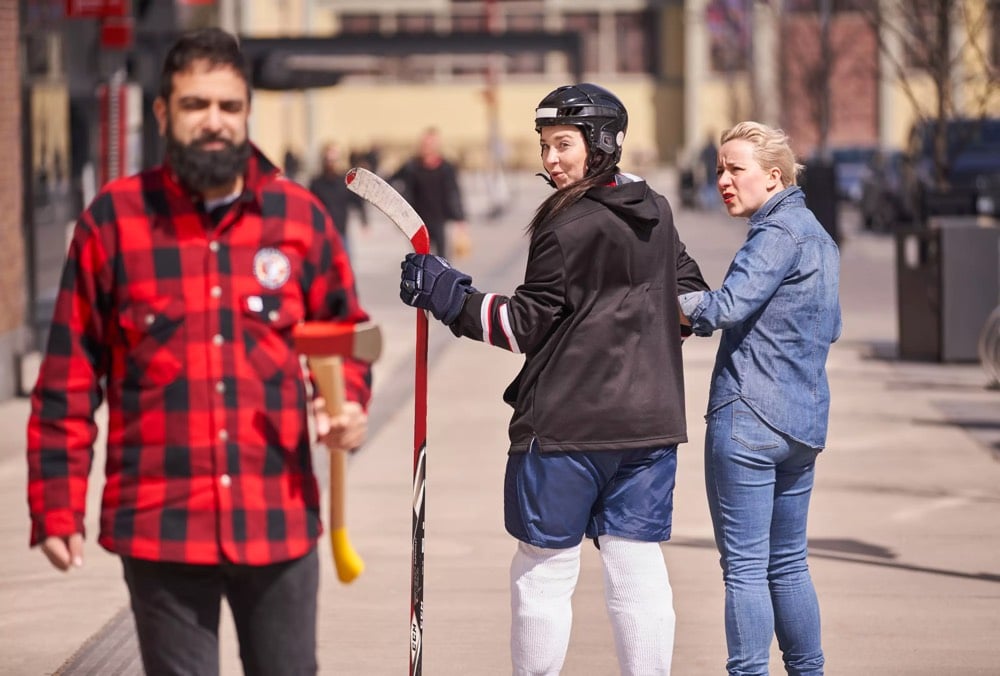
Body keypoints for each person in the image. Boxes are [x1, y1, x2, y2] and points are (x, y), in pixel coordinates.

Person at [26, 28, 372, 676]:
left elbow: (345, 333)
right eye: (195, 106)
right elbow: (68, 376)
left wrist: (346, 401)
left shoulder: (299, 219)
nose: (214, 122)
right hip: (161, 525)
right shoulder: (114, 222)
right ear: (163, 113)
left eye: (229, 106)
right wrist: (56, 502)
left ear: (246, 112)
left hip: (277, 515)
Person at [398, 83, 709, 675]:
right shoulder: (658, 210)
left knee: (543, 570)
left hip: (566, 426)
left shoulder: (564, 226)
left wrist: (449, 296)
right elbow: (690, 298)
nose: (550, 160)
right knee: (636, 565)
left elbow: (523, 328)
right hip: (650, 425)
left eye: (563, 144)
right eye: (544, 145)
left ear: (601, 143)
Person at [679, 121, 841, 676]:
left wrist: (666, 301)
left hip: (748, 417)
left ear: (773, 177)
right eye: (719, 169)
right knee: (789, 565)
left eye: (735, 169)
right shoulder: (819, 236)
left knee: (746, 569)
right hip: (801, 423)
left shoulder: (776, 235)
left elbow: (725, 306)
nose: (723, 180)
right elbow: (831, 326)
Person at [389, 126, 469, 257]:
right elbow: (390, 181)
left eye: (430, 144)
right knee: (420, 259)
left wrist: (460, 219)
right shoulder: (411, 166)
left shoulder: (446, 167)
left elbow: (454, 193)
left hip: (441, 220)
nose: (426, 147)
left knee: (443, 260)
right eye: (424, 144)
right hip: (417, 221)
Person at [309, 140, 366, 259]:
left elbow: (357, 201)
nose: (331, 163)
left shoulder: (344, 182)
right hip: (322, 234)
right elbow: (308, 206)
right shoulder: (316, 183)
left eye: (333, 160)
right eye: (328, 160)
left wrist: (364, 220)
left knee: (345, 267)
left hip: (341, 232)